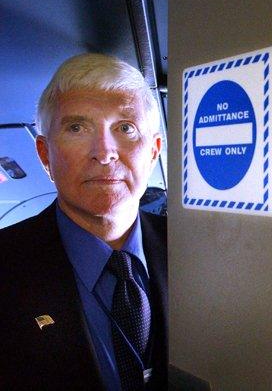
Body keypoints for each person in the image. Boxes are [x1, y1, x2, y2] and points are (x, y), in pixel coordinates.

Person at [0, 54, 167, 391]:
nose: (105, 152)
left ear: (153, 152)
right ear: (45, 155)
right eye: (77, 128)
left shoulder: (202, 253)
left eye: (125, 128)